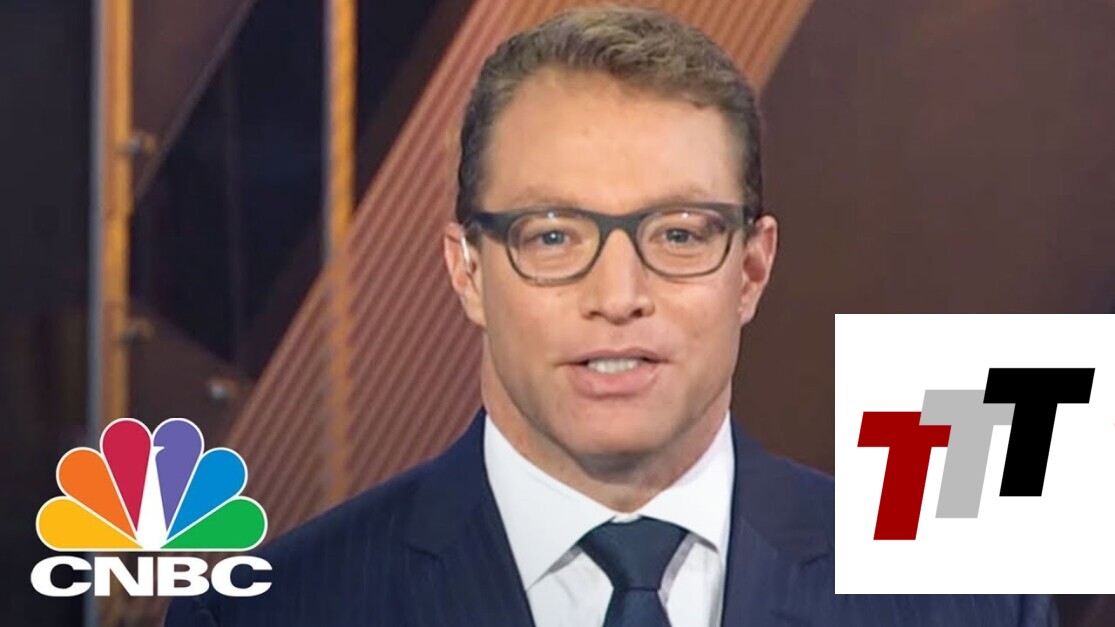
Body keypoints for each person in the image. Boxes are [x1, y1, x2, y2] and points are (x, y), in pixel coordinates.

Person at [167, 6, 1055, 626]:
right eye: (554, 236)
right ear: (467, 270)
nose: (618, 293)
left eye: (678, 233)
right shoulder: (274, 610)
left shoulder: (968, 602)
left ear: (751, 268)